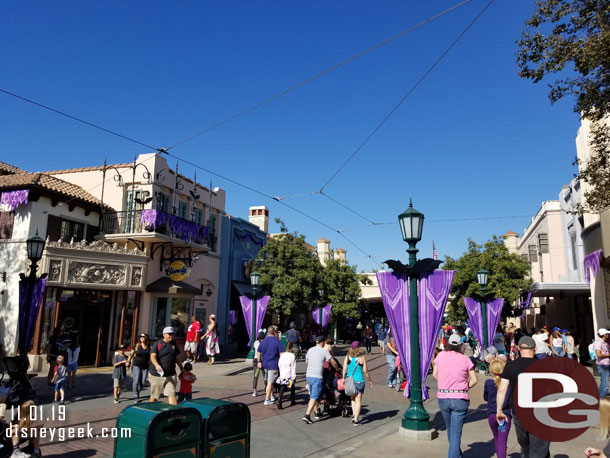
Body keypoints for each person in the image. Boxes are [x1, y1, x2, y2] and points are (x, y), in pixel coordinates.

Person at [497, 336, 550, 458]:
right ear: (535, 349)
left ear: (518, 349)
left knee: (525, 447)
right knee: (539, 448)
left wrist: (499, 410)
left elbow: (502, 389)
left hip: (519, 412)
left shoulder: (510, 366)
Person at [433, 333, 477, 458]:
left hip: (443, 397)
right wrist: (464, 387)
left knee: (450, 429)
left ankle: (457, 455)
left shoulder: (440, 355)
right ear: (460, 345)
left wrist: (445, 383)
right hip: (460, 398)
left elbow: (435, 374)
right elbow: (474, 379)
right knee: (456, 432)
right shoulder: (465, 359)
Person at [302, 335, 338, 424]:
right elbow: (332, 361)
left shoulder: (310, 349)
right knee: (314, 397)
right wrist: (337, 369)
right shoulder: (324, 351)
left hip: (309, 375)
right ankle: (307, 415)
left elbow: (306, 361)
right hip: (317, 376)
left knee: (312, 395)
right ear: (322, 342)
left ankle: (316, 412)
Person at [149, 326, 184, 405]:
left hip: (170, 375)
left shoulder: (174, 344)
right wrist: (157, 365)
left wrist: (182, 368)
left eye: (172, 334)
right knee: (155, 396)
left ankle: (175, 413)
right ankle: (148, 411)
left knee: (172, 394)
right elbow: (152, 356)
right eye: (169, 334)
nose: (171, 335)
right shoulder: (158, 344)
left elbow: (177, 358)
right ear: (164, 334)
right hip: (157, 375)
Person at [484, 359, 511, 458]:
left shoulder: (488, 383)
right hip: (504, 415)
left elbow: (485, 397)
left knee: (496, 439)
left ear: (491, 370)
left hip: (491, 415)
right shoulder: (509, 383)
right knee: (502, 441)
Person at [342, 341, 373, 426]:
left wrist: (344, 378)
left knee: (352, 398)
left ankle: (354, 415)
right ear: (359, 347)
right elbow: (365, 371)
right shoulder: (361, 357)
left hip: (350, 380)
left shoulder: (347, 356)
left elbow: (344, 369)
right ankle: (356, 419)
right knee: (358, 400)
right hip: (359, 381)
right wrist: (369, 380)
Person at [256, 326, 285, 406]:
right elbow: (281, 354)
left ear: (268, 332)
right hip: (273, 364)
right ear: (274, 332)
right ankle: (267, 399)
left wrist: (259, 361)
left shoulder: (263, 341)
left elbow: (259, 352)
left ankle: (271, 395)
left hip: (265, 364)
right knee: (270, 382)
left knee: (269, 381)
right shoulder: (277, 342)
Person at [128, 333, 151, 402]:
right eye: (140, 336)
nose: (141, 337)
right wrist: (128, 361)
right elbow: (131, 354)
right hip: (136, 365)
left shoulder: (148, 346)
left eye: (143, 336)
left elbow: (150, 357)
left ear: (146, 338)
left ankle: (137, 392)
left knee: (143, 382)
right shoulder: (136, 345)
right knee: (136, 381)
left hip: (145, 367)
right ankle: (136, 395)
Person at [277, 342, 297, 409]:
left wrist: (281, 371)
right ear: (291, 348)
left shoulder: (282, 355)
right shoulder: (292, 355)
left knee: (282, 387)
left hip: (283, 373)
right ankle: (292, 399)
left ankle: (279, 399)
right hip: (289, 374)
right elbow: (293, 366)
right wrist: (293, 375)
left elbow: (279, 364)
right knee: (292, 386)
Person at [595, 329, 610, 398]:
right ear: (604, 335)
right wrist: (608, 354)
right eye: (607, 334)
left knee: (604, 381)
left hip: (607, 364)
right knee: (605, 382)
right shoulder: (598, 342)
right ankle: (601, 397)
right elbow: (598, 354)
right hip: (603, 365)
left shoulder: (605, 342)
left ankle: (603, 395)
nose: (608, 335)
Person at [252, 331, 266, 397]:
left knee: (255, 376)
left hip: (255, 360)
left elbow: (255, 348)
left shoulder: (255, 342)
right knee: (265, 375)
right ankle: (266, 387)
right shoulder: (265, 343)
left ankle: (254, 390)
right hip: (262, 360)